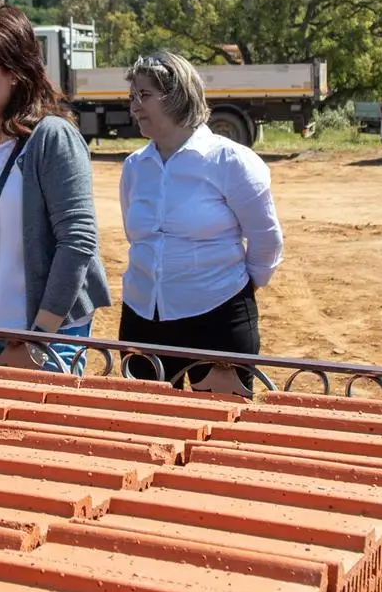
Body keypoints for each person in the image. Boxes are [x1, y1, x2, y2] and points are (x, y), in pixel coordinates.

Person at [0, 6, 110, 368]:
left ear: (15, 72)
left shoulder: (52, 136)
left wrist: (37, 337)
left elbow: (78, 240)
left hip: (47, 337)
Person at [117, 51, 283, 392]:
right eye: (132, 97)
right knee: (147, 423)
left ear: (178, 96)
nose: (134, 107)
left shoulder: (231, 161)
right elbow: (137, 238)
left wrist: (241, 289)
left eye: (144, 95)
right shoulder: (135, 167)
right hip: (142, 316)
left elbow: (266, 239)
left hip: (217, 318)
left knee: (219, 431)